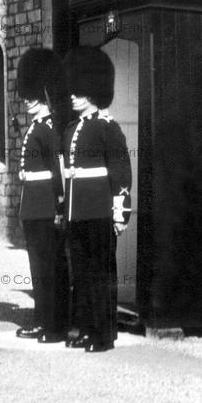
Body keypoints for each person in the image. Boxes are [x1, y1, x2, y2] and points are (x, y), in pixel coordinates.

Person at [62, 46, 132, 353]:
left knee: (102, 275)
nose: (74, 96)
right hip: (77, 212)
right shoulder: (71, 129)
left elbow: (121, 174)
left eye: (80, 91)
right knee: (83, 274)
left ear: (94, 91)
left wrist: (120, 215)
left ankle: (104, 335)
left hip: (101, 211)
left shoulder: (107, 127)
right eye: (73, 90)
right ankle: (87, 328)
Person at [14, 48, 69, 343]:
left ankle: (53, 325)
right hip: (33, 207)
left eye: (32, 95)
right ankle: (44, 320)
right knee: (39, 269)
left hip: (46, 207)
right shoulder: (38, 126)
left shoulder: (48, 129)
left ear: (43, 93)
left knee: (49, 269)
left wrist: (60, 207)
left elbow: (58, 170)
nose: (27, 100)